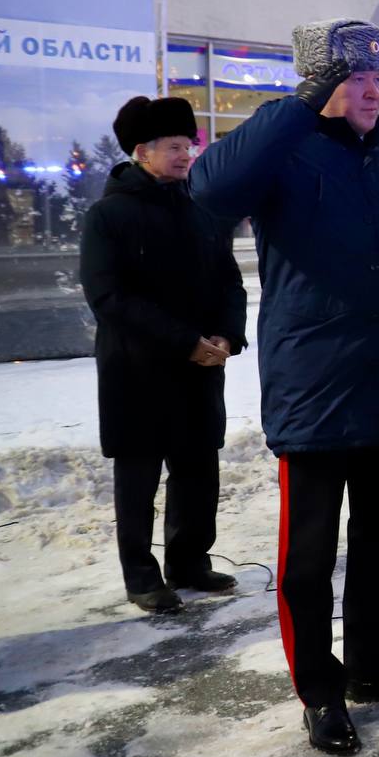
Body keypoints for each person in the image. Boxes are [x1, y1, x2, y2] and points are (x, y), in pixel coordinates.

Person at [190, 18, 379, 757]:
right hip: (316, 390)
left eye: (377, 75)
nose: (372, 88)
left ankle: (375, 665)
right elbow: (211, 190)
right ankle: (320, 690)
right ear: (318, 84)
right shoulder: (285, 151)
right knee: (308, 561)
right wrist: (298, 105)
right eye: (353, 76)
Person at [80, 96, 246, 615]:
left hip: (200, 370)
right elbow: (108, 297)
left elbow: (230, 283)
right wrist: (184, 342)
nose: (185, 155)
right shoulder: (108, 216)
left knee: (198, 471)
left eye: (189, 145)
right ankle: (142, 576)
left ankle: (189, 561)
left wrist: (225, 335)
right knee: (139, 477)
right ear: (141, 152)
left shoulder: (202, 210)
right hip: (138, 371)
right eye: (174, 146)